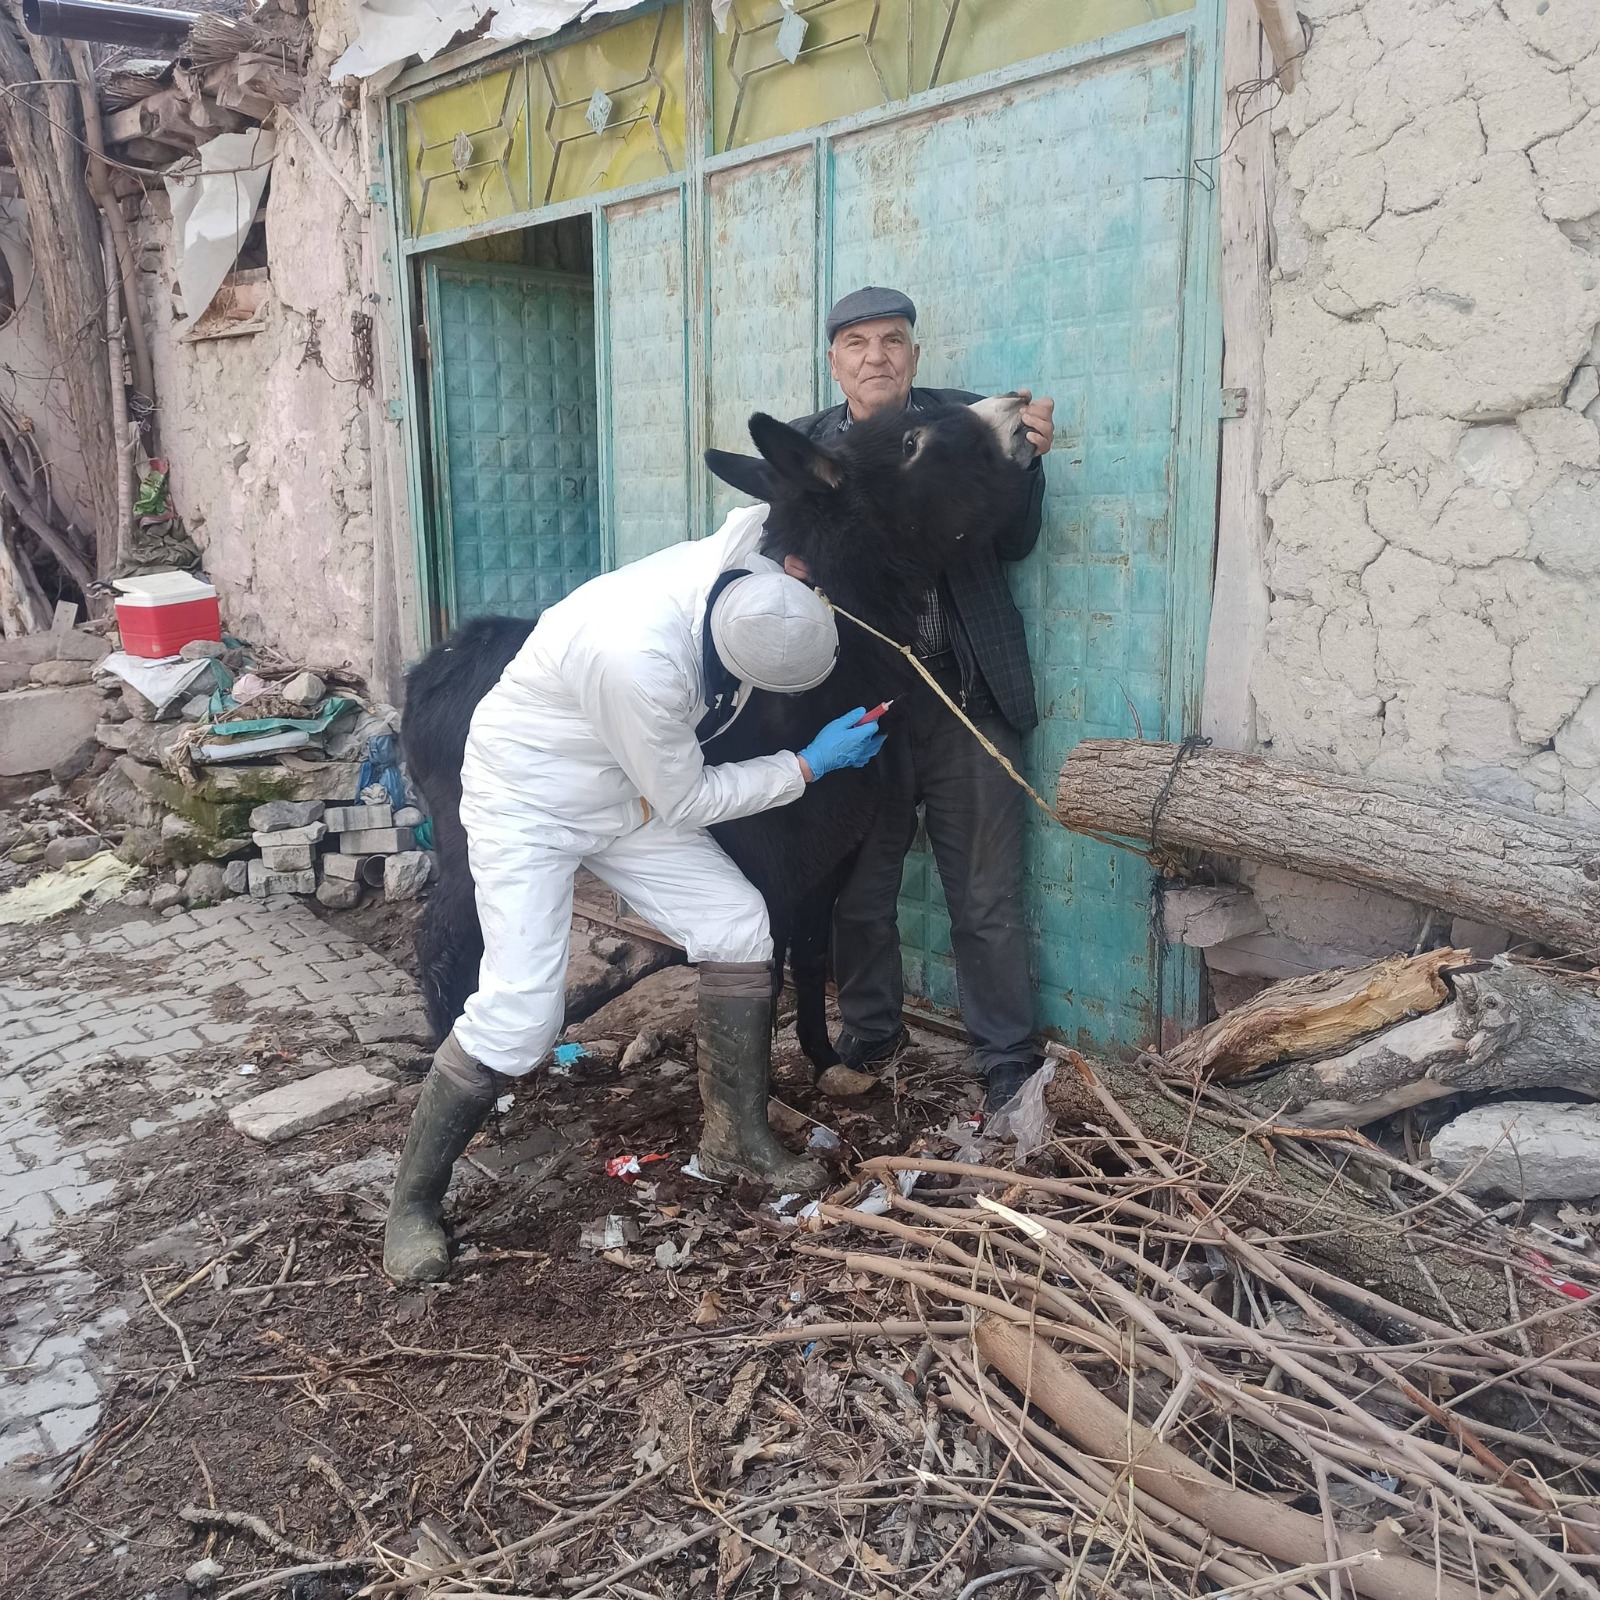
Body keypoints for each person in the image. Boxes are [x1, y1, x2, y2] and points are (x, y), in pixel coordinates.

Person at [384, 504, 887, 1283]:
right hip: (531, 801)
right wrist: (809, 765)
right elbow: (689, 800)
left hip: (623, 792)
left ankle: (735, 1139)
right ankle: (412, 1204)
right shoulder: (639, 662)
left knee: (735, 925)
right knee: (520, 1016)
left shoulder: (745, 562)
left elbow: (769, 515)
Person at [787, 287, 1055, 1109]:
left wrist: (1026, 460)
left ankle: (1007, 1056)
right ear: (834, 361)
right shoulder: (802, 449)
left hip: (965, 698)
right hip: (857, 716)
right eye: (858, 343)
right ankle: (873, 1029)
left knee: (984, 895)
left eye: (893, 341)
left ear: (913, 354)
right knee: (858, 893)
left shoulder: (964, 423)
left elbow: (1016, 542)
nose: (877, 357)